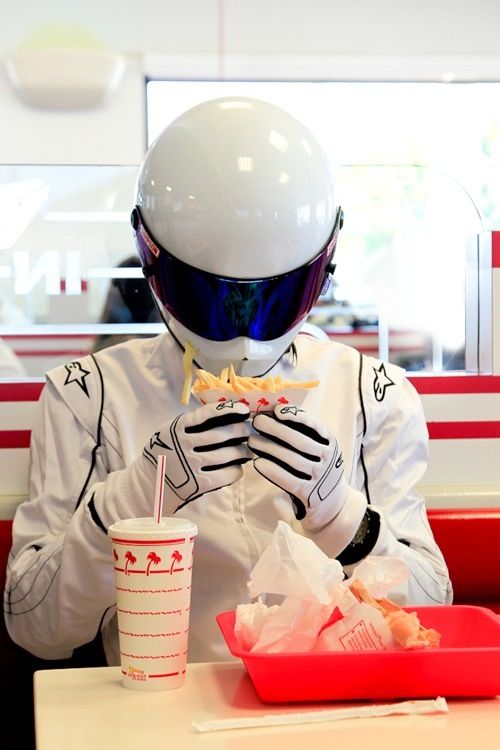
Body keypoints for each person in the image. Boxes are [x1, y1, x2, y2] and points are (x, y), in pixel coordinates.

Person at [4, 97, 452, 666]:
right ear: (151, 257)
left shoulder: (374, 395)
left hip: (334, 703)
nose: (244, 335)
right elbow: (35, 626)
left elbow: (434, 607)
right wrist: (134, 499)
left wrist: (344, 517)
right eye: (213, 297)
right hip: (159, 707)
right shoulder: (88, 396)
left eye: (273, 297)